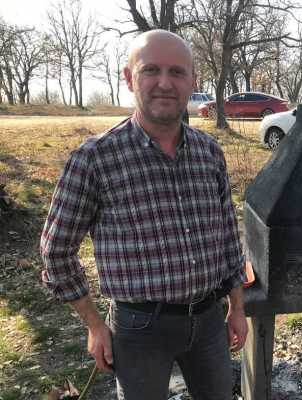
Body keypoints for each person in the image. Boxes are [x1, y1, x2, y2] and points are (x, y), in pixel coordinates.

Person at [40, 30, 247, 400]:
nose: (165, 83)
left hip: (209, 321)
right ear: (129, 77)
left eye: (177, 72)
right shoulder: (94, 159)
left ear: (193, 82)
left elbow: (228, 235)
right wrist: (93, 324)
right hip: (138, 328)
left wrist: (237, 307)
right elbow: (55, 250)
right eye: (151, 70)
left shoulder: (209, 153)